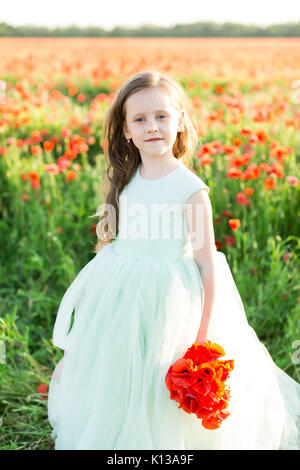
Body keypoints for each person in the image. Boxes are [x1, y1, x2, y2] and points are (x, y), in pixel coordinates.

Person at [47, 70, 300, 450]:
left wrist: (201, 336)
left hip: (171, 299)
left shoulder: (190, 190)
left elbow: (207, 263)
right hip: (121, 291)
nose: (152, 127)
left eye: (162, 116)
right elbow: (117, 241)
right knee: (122, 367)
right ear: (127, 130)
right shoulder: (126, 179)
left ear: (180, 121)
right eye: (140, 119)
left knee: (159, 373)